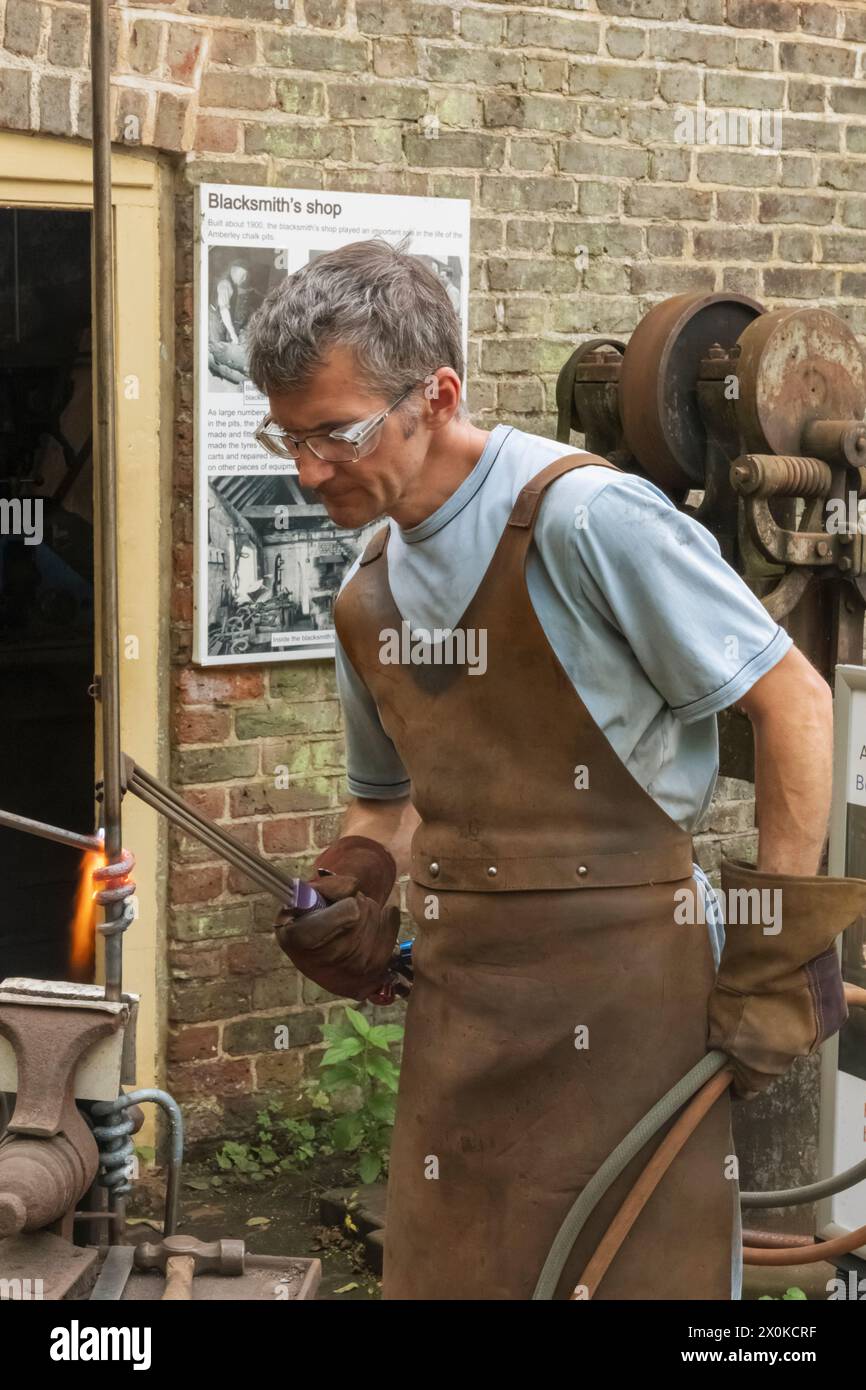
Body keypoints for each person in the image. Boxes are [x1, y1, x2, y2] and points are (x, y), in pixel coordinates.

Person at [245, 239, 835, 1301]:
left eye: (334, 431)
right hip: (462, 1011)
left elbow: (791, 702)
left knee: (634, 1275)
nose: (306, 468)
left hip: (628, 996)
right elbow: (388, 808)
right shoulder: (367, 590)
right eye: (286, 435)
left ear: (437, 394)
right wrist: (354, 883)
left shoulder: (584, 520)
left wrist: (769, 954)